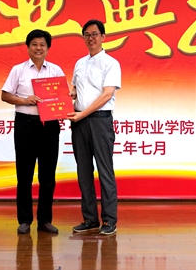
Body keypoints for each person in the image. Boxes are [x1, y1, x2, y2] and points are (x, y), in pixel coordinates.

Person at [1, 29, 64, 235]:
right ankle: (24, 220)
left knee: (48, 175)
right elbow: (5, 95)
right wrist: (24, 100)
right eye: (34, 44)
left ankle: (45, 220)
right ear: (28, 47)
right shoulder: (18, 70)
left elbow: (62, 97)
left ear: (48, 48)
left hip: (49, 125)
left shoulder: (55, 70)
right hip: (25, 124)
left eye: (42, 45)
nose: (38, 48)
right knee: (24, 174)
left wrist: (65, 102)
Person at [67, 19, 121, 236]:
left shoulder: (111, 63)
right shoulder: (80, 63)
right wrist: (71, 93)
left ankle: (109, 220)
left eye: (95, 34)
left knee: (104, 170)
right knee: (83, 171)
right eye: (87, 35)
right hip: (79, 121)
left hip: (100, 120)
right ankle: (90, 218)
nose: (91, 38)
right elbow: (75, 89)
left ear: (103, 37)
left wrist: (83, 113)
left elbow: (107, 94)